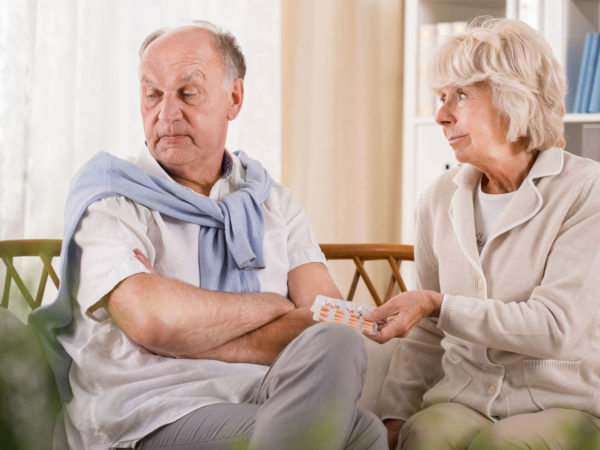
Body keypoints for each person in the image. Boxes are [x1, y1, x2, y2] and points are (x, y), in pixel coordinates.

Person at [29, 21, 386, 450]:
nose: (166, 113)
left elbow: (327, 315)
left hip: (255, 392)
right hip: (149, 409)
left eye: (187, 93)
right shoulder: (110, 199)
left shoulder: (273, 202)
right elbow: (152, 319)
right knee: (358, 436)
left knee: (341, 346)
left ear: (234, 98)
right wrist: (275, 305)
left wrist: (193, 332)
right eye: (152, 95)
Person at [363, 17, 600, 450]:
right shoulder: (438, 198)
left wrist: (437, 304)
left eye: (461, 95)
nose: (441, 114)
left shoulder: (586, 191)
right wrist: (395, 415)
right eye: (441, 97)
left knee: (503, 444)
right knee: (424, 434)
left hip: (564, 405)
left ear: (515, 98)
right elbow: (429, 332)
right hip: (464, 399)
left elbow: (554, 327)